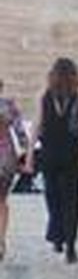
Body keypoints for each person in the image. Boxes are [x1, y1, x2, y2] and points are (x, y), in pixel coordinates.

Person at [27, 57, 78, 262]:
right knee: (72, 199)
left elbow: (36, 124)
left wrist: (30, 154)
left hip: (50, 151)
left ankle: (57, 235)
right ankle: (71, 246)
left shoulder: (44, 94)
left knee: (52, 195)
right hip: (73, 152)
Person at [0, 80, 23, 258]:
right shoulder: (9, 106)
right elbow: (21, 132)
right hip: (6, 159)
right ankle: (1, 239)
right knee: (2, 201)